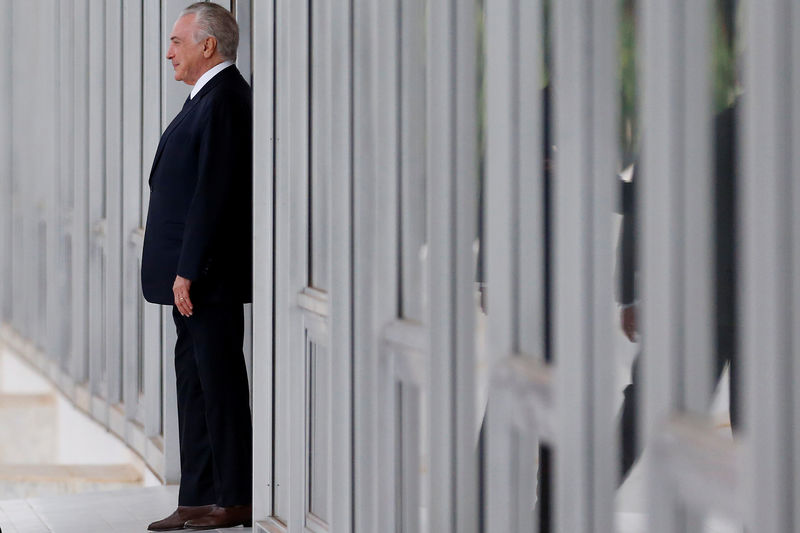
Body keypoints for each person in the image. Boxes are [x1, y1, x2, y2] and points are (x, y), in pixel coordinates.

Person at [140, 3, 253, 530]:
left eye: (176, 42)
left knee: (219, 384)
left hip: (207, 278)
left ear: (207, 45)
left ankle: (232, 498)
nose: (169, 52)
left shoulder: (226, 98)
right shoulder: (204, 99)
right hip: (194, 279)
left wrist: (188, 270)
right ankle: (197, 498)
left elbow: (215, 194)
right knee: (194, 385)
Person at [616, 101, 739, 481]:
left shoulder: (680, 122)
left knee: (646, 408)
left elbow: (641, 209)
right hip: (760, 306)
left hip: (691, 300)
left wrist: (630, 292)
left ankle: (567, 511)